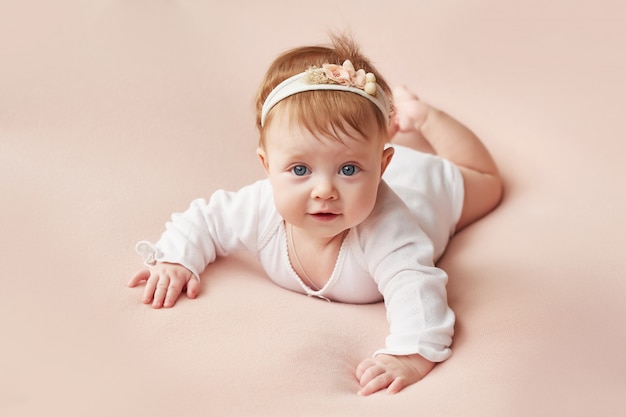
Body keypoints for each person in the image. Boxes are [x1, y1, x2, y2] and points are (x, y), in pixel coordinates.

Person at [128, 34, 503, 396]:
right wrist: (177, 258)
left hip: (426, 190)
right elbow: (206, 220)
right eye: (300, 170)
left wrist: (408, 355)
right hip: (380, 164)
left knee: (488, 183)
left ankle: (423, 117)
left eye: (349, 169)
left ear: (382, 165)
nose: (324, 191)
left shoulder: (389, 230)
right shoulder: (260, 207)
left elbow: (417, 290)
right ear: (267, 164)